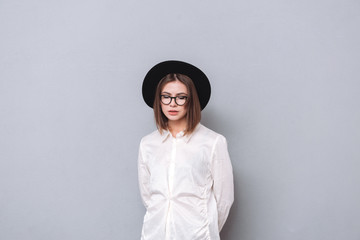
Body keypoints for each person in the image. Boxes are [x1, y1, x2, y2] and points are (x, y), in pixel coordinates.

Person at [138, 60, 234, 240]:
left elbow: (224, 200)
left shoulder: (213, 142)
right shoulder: (147, 144)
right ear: (158, 100)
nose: (172, 103)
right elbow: (148, 196)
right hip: (155, 234)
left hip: (196, 235)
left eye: (181, 97)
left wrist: (204, 228)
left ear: (191, 101)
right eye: (166, 96)